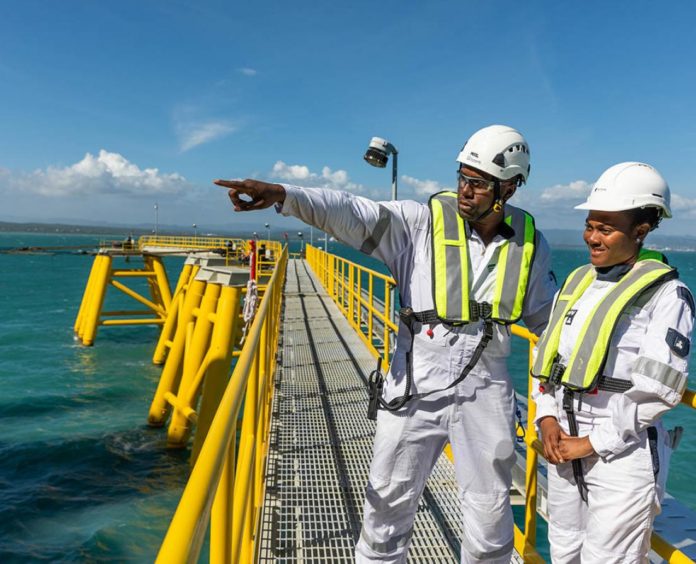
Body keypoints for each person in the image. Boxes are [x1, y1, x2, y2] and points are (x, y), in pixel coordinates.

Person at [215, 124, 557, 563]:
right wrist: (285, 194)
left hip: (487, 388)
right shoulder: (418, 224)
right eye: (462, 177)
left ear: (508, 186)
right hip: (415, 381)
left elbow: (548, 323)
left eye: (477, 182)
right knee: (387, 505)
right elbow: (351, 211)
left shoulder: (532, 244)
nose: (465, 190)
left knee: (491, 517)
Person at [532, 162, 693, 563]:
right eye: (590, 225)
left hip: (621, 452)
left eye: (606, 228)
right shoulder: (578, 282)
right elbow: (548, 356)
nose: (592, 237)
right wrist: (547, 418)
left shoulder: (668, 295)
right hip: (562, 443)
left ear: (642, 229)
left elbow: (658, 389)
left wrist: (590, 443)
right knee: (564, 548)